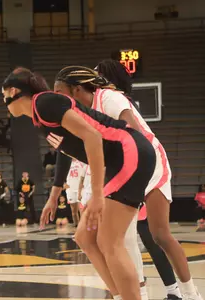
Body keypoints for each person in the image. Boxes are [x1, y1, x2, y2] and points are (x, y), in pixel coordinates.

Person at [2, 67, 157, 300]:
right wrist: (54, 196)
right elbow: (68, 152)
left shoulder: (43, 102)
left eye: (2, 95)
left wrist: (96, 195)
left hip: (129, 150)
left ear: (13, 91)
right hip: (121, 157)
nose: (3, 101)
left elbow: (93, 137)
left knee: (109, 241)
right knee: (85, 238)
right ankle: (119, 295)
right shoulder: (40, 113)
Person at [54, 63, 200, 299]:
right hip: (123, 168)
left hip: (148, 162)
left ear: (76, 90)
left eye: (60, 93)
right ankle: (130, 293)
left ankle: (190, 293)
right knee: (111, 238)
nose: (58, 100)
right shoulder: (82, 114)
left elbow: (133, 132)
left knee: (159, 234)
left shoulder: (109, 98)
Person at [65, 160, 86, 227]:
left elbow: (85, 173)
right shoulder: (66, 163)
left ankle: (83, 226)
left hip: (79, 188)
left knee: (81, 209)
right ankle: (76, 226)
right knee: (74, 211)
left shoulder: (81, 161)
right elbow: (61, 174)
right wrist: (63, 183)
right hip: (70, 188)